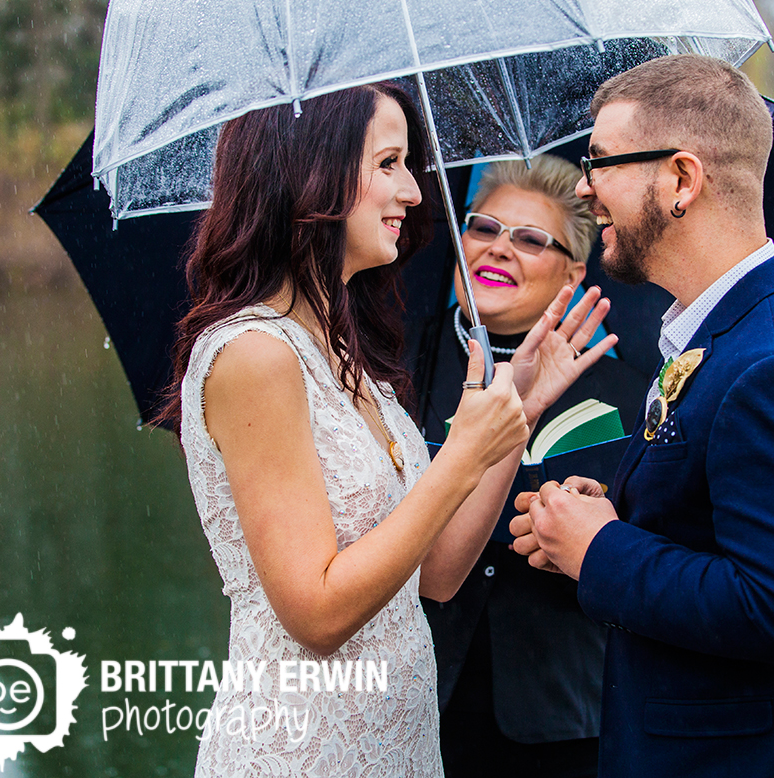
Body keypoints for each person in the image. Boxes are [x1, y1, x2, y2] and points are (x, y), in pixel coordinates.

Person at [157, 83, 617, 777]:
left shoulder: (346, 357)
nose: (413, 191)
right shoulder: (256, 356)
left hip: (397, 748)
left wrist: (514, 411)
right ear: (312, 171)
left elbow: (435, 575)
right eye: (389, 163)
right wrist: (460, 456)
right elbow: (314, 613)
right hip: (307, 750)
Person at [511, 55, 774, 777]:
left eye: (600, 162)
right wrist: (604, 519)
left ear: (681, 180)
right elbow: (725, 522)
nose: (583, 187)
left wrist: (601, 551)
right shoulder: (730, 328)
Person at [419, 155, 648, 778]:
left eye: (528, 239)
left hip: (569, 717)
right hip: (418, 706)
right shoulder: (398, 371)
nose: (499, 249)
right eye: (484, 229)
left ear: (572, 273)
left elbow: (655, 533)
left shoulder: (632, 392)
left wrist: (592, 526)